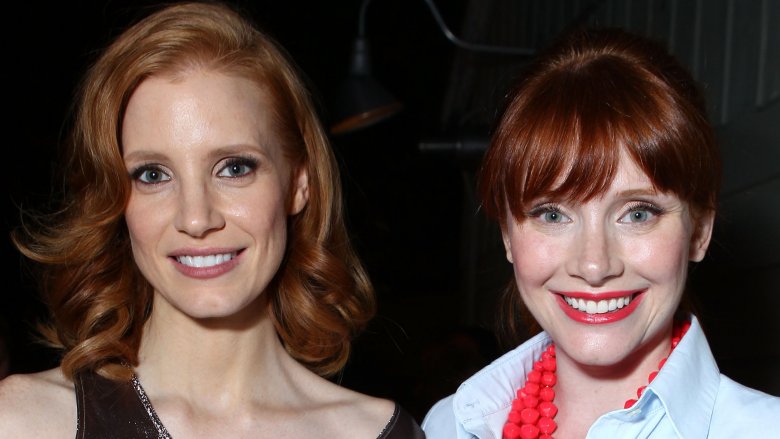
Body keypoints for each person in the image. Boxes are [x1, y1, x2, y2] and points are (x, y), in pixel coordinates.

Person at [0, 2, 424, 438]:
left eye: (234, 168)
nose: (196, 219)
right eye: (153, 175)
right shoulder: (26, 422)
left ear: (299, 183)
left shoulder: (378, 432)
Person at [422, 27, 780, 438]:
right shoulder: (448, 425)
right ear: (507, 235)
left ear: (699, 230)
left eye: (638, 214)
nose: (594, 265)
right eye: (552, 215)